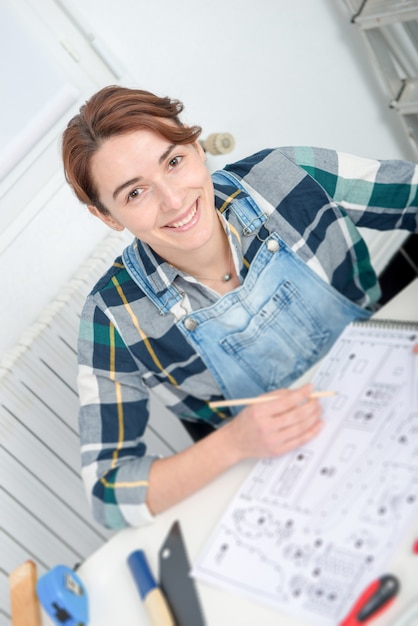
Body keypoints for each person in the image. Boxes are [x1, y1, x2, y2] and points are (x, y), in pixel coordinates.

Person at [62, 85, 418, 530]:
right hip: (305, 482)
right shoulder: (112, 315)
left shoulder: (287, 175)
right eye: (135, 193)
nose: (174, 201)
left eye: (174, 162)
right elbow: (107, 496)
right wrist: (233, 443)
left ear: (196, 146)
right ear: (108, 217)